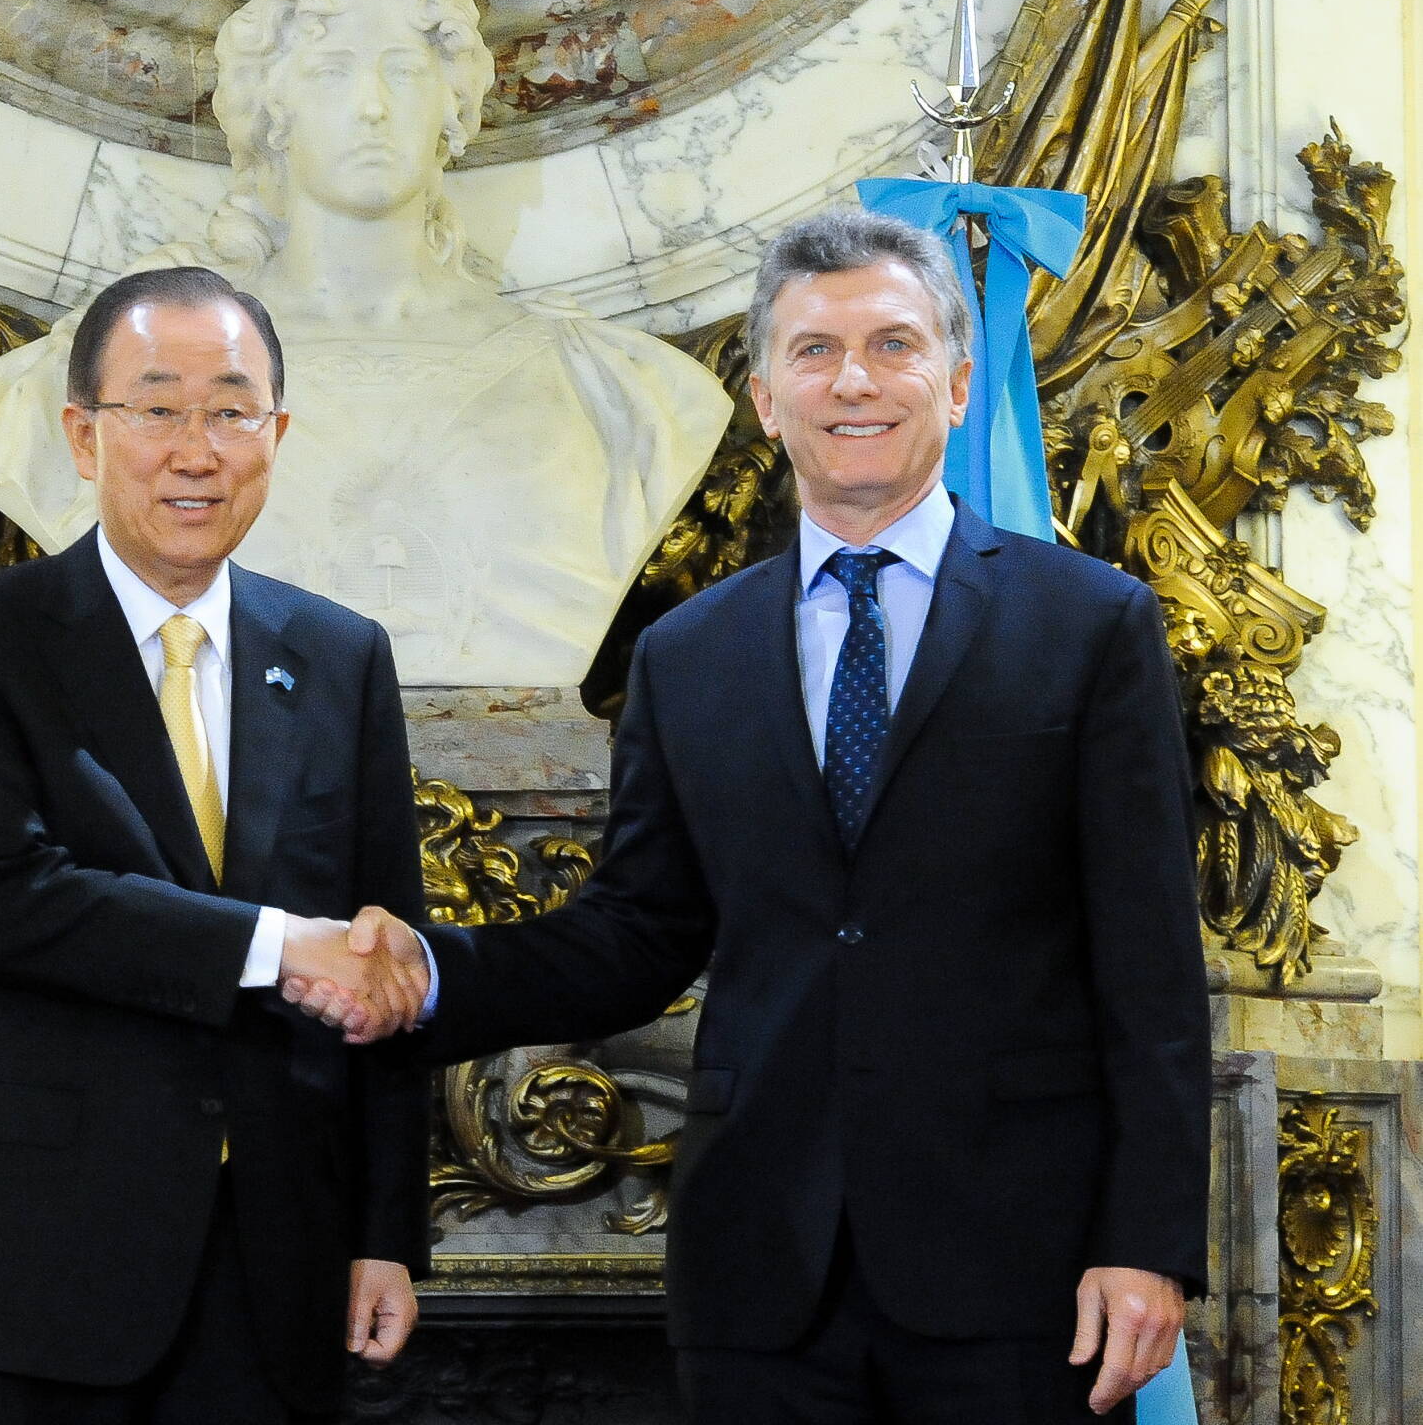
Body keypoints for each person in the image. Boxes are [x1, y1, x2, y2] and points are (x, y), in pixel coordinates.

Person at [292, 207, 1212, 1423]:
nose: (854, 381)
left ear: (953, 381)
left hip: (1016, 1264)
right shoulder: (687, 650)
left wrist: (1143, 1239)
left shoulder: (1088, 623)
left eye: (891, 345)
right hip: (757, 1277)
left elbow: (1148, 965)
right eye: (813, 350)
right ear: (766, 395)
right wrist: (430, 971)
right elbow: (635, 932)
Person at [0, 0, 732, 687]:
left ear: (456, 101)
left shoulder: (619, 391)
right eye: (330, 71)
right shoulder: (59, 395)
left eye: (401, 69)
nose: (371, 106)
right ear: (269, 109)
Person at [0, 265, 431, 1424]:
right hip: (30, 1265)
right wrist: (280, 946)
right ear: (84, 435)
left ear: (275, 435)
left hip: (274, 1274)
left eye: (231, 410)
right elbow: (10, 897)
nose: (197, 448)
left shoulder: (340, 655)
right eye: (157, 407)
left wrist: (386, 1232)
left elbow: (383, 948)